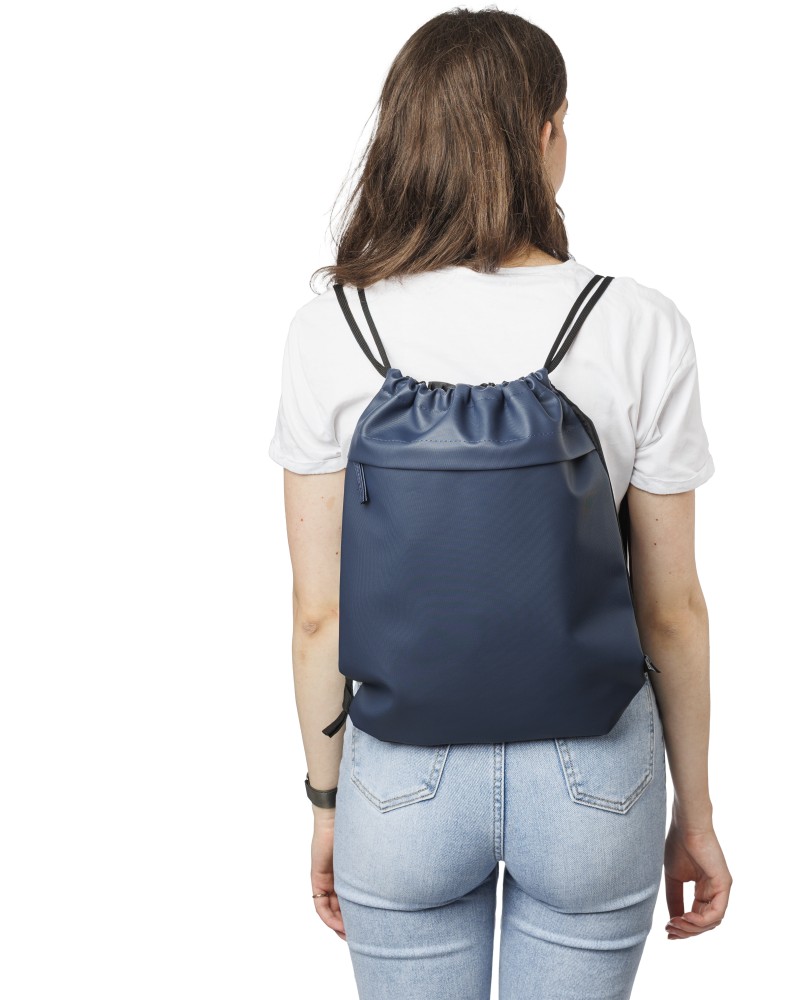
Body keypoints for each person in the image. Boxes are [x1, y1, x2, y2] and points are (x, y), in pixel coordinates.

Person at [268, 8, 732, 999]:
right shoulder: (637, 323)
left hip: (401, 780)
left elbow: (318, 614)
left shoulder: (331, 328)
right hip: (597, 778)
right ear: (546, 132)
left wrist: (326, 800)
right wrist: (693, 810)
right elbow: (671, 610)